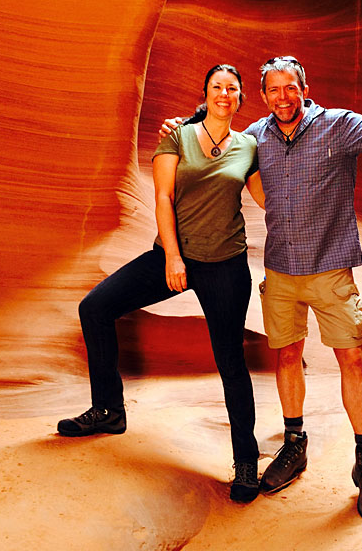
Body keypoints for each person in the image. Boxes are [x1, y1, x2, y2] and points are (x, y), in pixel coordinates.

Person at [160, 55, 362, 525]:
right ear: (263, 96)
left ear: (304, 86)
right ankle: (294, 444)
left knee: (352, 359)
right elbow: (211, 134)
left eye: (290, 88)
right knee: (286, 356)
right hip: (281, 272)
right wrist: (182, 123)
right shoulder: (255, 136)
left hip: (330, 270)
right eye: (273, 90)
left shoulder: (336, 126)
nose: (283, 97)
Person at [57, 64, 266, 503]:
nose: (224, 94)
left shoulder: (249, 146)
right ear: (205, 93)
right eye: (216, 87)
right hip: (172, 255)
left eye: (232, 89)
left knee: (230, 360)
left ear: (241, 98)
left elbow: (266, 199)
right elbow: (164, 196)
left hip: (226, 264)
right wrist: (172, 256)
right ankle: (109, 410)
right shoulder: (177, 136)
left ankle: (246, 462)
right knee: (95, 307)